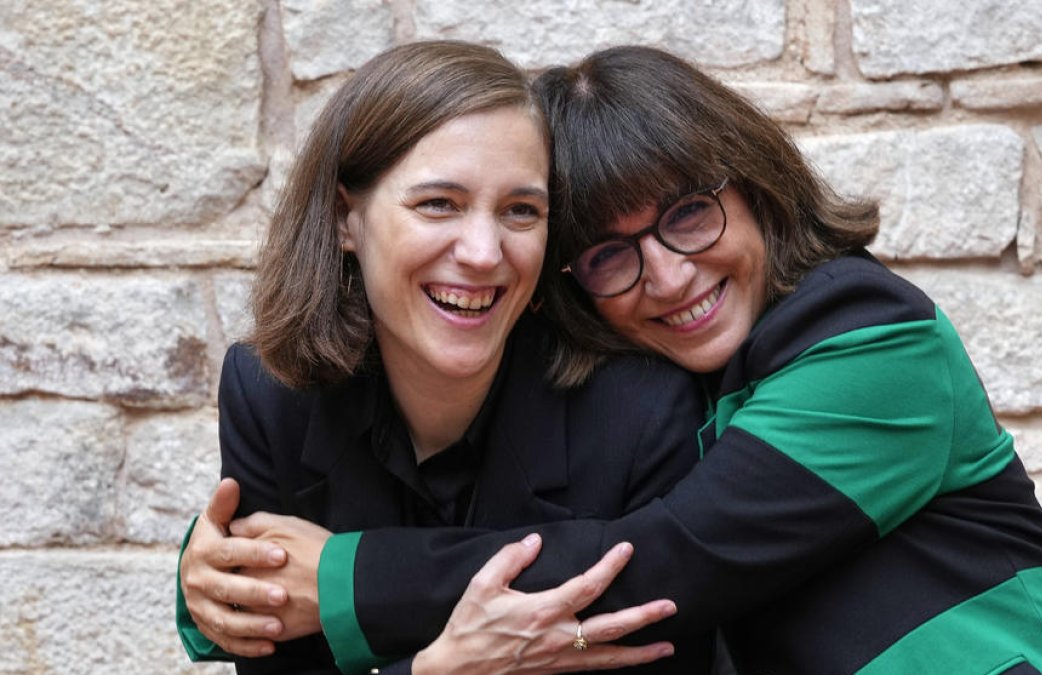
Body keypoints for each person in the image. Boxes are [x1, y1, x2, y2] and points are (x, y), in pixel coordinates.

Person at [187, 45, 1042, 674]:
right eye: (610, 253)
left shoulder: (871, 337)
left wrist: (338, 580)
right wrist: (213, 588)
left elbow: (669, 559)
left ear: (755, 189)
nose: (667, 276)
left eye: (688, 214)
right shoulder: (656, 378)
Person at [175, 40, 725, 674]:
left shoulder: (641, 410)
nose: (485, 252)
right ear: (342, 219)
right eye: (439, 203)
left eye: (522, 211)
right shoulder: (270, 392)